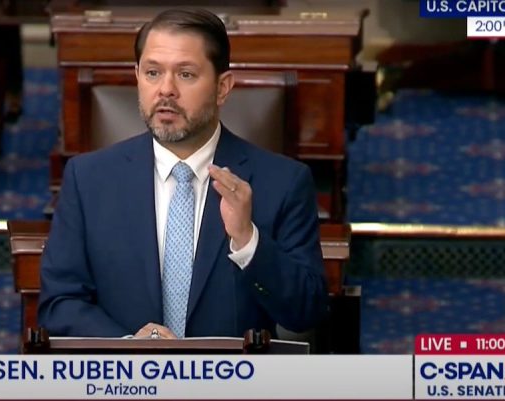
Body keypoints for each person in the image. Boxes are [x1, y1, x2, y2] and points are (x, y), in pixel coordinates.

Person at [38, 9, 327, 339]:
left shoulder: (283, 182)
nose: (166, 90)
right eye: (152, 73)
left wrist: (248, 240)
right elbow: (59, 303)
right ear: (137, 77)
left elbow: (307, 311)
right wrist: (128, 348)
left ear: (222, 87)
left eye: (186, 74)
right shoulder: (88, 179)